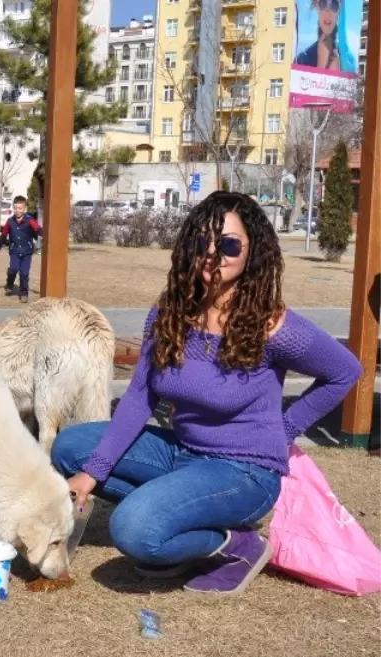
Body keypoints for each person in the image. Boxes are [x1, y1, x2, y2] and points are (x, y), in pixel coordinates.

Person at [51, 191, 363, 596]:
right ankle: (176, 521)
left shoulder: (271, 324)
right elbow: (139, 397)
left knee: (133, 530)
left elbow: (344, 371)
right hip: (183, 453)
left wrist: (282, 432)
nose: (213, 253)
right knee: (71, 448)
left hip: (244, 471)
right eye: (202, 242)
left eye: (229, 244)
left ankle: (236, 545)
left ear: (253, 252)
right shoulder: (169, 312)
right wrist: (92, 472)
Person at [0, 195, 41, 304]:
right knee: (13, 269)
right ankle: (9, 283)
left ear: (24, 209)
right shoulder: (10, 221)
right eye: (15, 208)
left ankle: (24, 293)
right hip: (14, 250)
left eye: (20, 208)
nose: (17, 210)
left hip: (27, 252)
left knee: (24, 273)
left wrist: (46, 233)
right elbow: (3, 235)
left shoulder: (29, 220)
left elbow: (38, 229)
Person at [295, 0, 358, 73]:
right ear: (316, 6)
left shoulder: (350, 61)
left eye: (334, 4)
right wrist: (321, 66)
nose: (328, 11)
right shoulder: (302, 60)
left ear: (339, 10)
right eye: (323, 3)